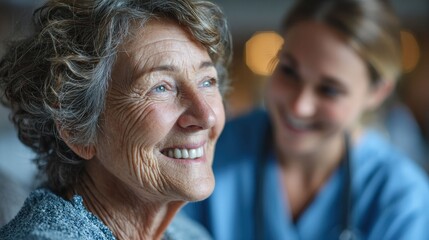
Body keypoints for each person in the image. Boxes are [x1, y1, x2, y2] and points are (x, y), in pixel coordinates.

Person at [182, 0, 429, 239]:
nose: (299, 107)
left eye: (329, 90)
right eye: (289, 71)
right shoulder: (210, 150)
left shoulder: (402, 199)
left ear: (377, 93)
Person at [0, 0, 231, 239]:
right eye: (161, 88)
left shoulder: (189, 234)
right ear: (75, 128)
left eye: (207, 81)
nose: (207, 116)